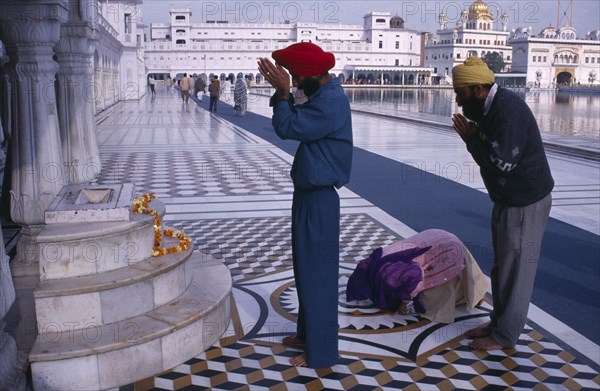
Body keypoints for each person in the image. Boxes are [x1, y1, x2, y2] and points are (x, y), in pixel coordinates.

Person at [257, 42, 353, 368]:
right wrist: (285, 92)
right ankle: (307, 332)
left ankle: (322, 351)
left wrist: (283, 93)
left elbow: (287, 126)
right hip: (309, 196)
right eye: (293, 79)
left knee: (319, 277)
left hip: (319, 199)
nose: (296, 83)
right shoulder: (321, 95)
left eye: (298, 78)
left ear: (312, 75)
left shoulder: (331, 103)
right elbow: (296, 113)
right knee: (305, 271)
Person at [450, 57, 554, 350]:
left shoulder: (506, 111)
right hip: (510, 198)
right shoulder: (489, 108)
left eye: (462, 93)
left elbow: (502, 163)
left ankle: (506, 335)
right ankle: (499, 321)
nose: (459, 101)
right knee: (503, 265)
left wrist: (472, 141)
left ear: (479, 89)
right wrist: (475, 138)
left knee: (517, 269)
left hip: (525, 199)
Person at [346, 229, 489, 324]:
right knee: (463, 269)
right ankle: (476, 294)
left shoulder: (389, 272)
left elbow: (416, 278)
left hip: (448, 249)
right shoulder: (377, 260)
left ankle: (470, 297)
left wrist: (403, 302)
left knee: (434, 293)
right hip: (438, 236)